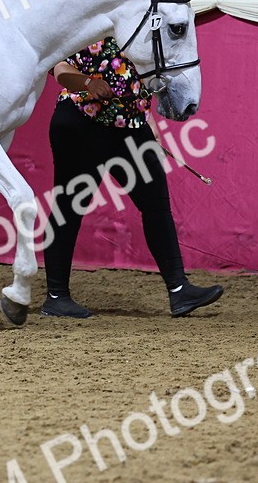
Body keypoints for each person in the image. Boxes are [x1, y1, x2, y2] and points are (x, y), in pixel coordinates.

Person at [42, 37, 223, 318]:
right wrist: (89, 83)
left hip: (130, 124)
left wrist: (148, 118)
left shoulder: (133, 26)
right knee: (68, 209)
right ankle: (56, 296)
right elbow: (59, 68)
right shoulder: (82, 23)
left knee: (156, 204)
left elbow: (138, 75)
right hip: (81, 122)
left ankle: (179, 289)